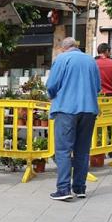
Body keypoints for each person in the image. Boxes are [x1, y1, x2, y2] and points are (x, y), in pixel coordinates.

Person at [46, 37, 101, 201]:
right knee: (82, 151)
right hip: (89, 109)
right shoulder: (91, 60)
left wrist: (54, 96)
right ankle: (80, 187)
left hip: (67, 109)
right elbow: (98, 87)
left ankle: (63, 189)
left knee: (63, 150)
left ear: (63, 48)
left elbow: (51, 85)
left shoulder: (62, 59)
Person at [94, 43, 112, 158]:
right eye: (109, 51)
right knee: (110, 121)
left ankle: (98, 147)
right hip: (111, 96)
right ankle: (111, 148)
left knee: (97, 122)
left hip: (97, 97)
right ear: (106, 51)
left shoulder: (93, 63)